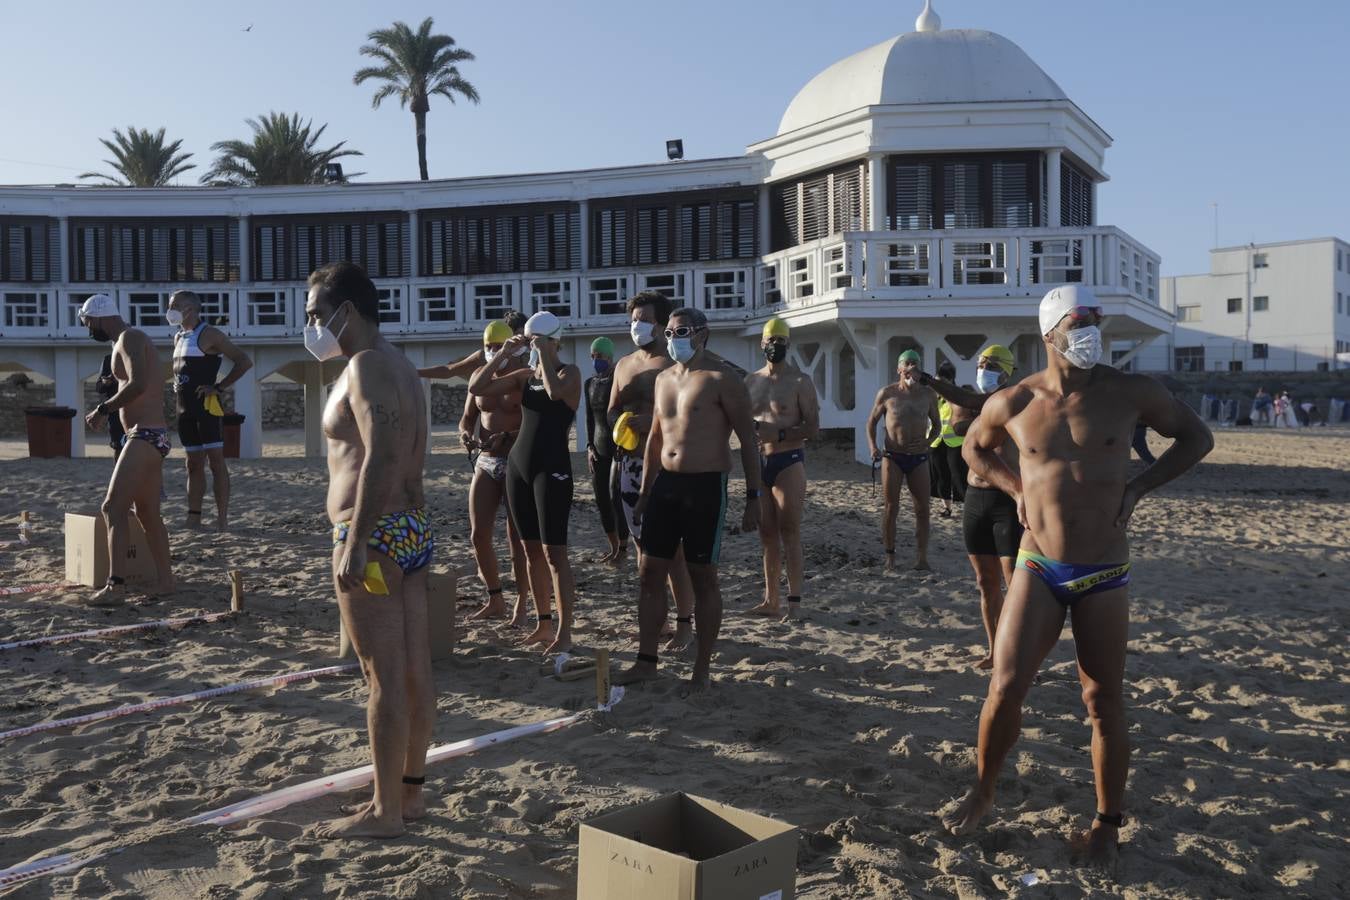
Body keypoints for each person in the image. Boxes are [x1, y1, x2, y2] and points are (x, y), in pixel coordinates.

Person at [941, 285, 1213, 867]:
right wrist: (1016, 489)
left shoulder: (1132, 392)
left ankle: (1106, 824)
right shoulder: (1015, 401)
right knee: (1005, 687)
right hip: (1039, 564)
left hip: (1105, 570)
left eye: (1096, 318)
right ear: (1049, 334)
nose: (1091, 326)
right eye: (1079, 319)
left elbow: (1197, 437)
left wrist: (1140, 486)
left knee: (1103, 700)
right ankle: (984, 790)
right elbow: (973, 448)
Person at [306, 262, 434, 839]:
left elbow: (382, 453)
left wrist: (356, 541)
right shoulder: (403, 367)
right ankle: (407, 797)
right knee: (413, 672)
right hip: (407, 528)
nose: (311, 326)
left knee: (381, 676)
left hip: (373, 532)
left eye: (316, 314)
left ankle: (385, 812)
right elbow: (412, 459)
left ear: (347, 312)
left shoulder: (364, 366)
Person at [615, 307, 761, 689]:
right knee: (649, 574)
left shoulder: (722, 378)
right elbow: (654, 440)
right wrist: (646, 491)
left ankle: (701, 668)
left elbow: (748, 440)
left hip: (705, 485)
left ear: (702, 334)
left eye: (680, 332)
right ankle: (647, 660)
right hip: (666, 485)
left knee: (703, 578)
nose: (672, 338)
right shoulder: (664, 379)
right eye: (668, 332)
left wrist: (753, 497)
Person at [469, 311, 582, 655]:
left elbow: (553, 392)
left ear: (554, 341)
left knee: (555, 554)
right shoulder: (521, 376)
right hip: (519, 467)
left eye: (538, 339)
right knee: (531, 549)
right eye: (529, 339)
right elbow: (476, 386)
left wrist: (546, 353)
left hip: (552, 467)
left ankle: (564, 631)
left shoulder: (569, 373)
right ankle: (543, 624)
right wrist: (504, 354)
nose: (531, 345)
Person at [608, 291, 698, 651]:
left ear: (661, 324)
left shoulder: (673, 364)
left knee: (673, 550)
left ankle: (684, 623)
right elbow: (612, 409)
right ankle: (656, 620)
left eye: (644, 319)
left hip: (666, 465)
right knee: (645, 549)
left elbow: (691, 414)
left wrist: (655, 421)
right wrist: (623, 422)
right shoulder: (624, 364)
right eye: (633, 319)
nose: (637, 325)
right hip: (630, 462)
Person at [922, 345, 1021, 669]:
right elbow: (959, 422)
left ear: (1006, 372)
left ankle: (1016, 658)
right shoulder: (983, 407)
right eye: (979, 364)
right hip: (975, 499)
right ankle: (995, 651)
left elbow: (968, 403)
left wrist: (929, 380)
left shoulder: (1014, 401)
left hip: (1006, 500)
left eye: (989, 365)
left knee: (1015, 587)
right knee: (985, 583)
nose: (982, 370)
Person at [78, 293, 175, 604]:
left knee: (112, 508)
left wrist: (103, 409)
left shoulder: (129, 337)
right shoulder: (127, 340)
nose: (88, 328)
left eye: (87, 322)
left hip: (144, 435)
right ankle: (166, 582)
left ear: (98, 316)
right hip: (149, 435)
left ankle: (115, 586)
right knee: (147, 513)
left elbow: (138, 383)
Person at [745, 317, 819, 621]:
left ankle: (795, 602)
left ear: (788, 345)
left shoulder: (800, 381)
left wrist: (780, 434)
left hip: (788, 461)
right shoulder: (750, 381)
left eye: (780, 341)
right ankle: (770, 599)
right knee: (767, 534)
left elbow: (813, 427)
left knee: (790, 530)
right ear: (761, 343)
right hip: (760, 462)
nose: (774, 345)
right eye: (770, 340)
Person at [460, 320, 533, 624]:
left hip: (516, 460)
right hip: (487, 459)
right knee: (479, 535)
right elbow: (467, 418)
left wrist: (512, 434)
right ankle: (495, 597)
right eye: (488, 346)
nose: (492, 351)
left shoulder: (524, 376)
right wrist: (465, 435)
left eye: (499, 346)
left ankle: (523, 601)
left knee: (516, 538)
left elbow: (537, 420)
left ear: (516, 347)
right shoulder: (480, 377)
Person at [166, 290, 253, 531]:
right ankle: (194, 516)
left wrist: (219, 387)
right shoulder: (178, 336)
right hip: (184, 409)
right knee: (192, 464)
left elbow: (244, 360)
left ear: (190, 309)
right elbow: (181, 370)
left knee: (216, 462)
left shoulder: (211, 334)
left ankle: (222, 519)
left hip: (207, 409)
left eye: (174, 305)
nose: (169, 309)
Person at [866, 349, 941, 571]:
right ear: (899, 368)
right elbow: (871, 422)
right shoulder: (887, 394)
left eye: (915, 364)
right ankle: (890, 556)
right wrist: (873, 447)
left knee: (922, 509)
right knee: (891, 507)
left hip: (918, 457)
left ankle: (922, 557)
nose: (911, 368)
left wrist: (927, 443)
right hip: (893, 457)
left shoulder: (928, 395)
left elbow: (937, 425)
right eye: (907, 364)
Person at [584, 336, 630, 565]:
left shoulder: (617, 380)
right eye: (593, 356)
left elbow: (621, 415)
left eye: (600, 356)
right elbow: (589, 419)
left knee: (616, 497)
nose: (596, 360)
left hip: (617, 448)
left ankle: (623, 547)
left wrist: (623, 446)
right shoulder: (590, 383)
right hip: (598, 448)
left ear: (610, 356)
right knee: (601, 499)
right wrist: (589, 446)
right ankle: (612, 546)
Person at [928, 360, 970, 518]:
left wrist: (949, 394)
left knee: (958, 476)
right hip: (936, 441)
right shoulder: (932, 397)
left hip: (955, 442)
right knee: (941, 475)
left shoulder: (958, 395)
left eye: (943, 381)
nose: (940, 385)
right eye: (938, 381)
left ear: (951, 380)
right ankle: (947, 508)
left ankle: (968, 507)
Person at [96, 353, 126, 456]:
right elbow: (99, 387)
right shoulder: (108, 359)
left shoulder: (136, 356)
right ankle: (118, 472)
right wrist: (105, 383)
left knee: (135, 445)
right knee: (117, 446)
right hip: (114, 411)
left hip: (134, 409)